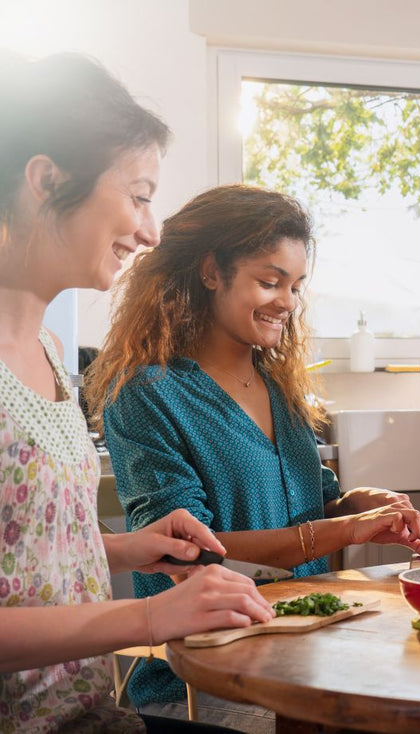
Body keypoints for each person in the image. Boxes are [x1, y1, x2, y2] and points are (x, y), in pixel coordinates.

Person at [85, 184, 420, 728]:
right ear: (210, 271)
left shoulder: (280, 386)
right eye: (270, 281)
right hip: (207, 677)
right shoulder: (148, 393)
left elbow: (319, 500)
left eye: (295, 286)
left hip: (310, 657)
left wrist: (369, 509)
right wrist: (346, 531)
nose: (288, 302)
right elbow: (187, 550)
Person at [0, 53, 273, 733]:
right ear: (45, 181)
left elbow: (22, 541)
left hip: (88, 714)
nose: (151, 232)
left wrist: (125, 548)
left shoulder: (51, 354)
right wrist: (147, 615)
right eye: (140, 195)